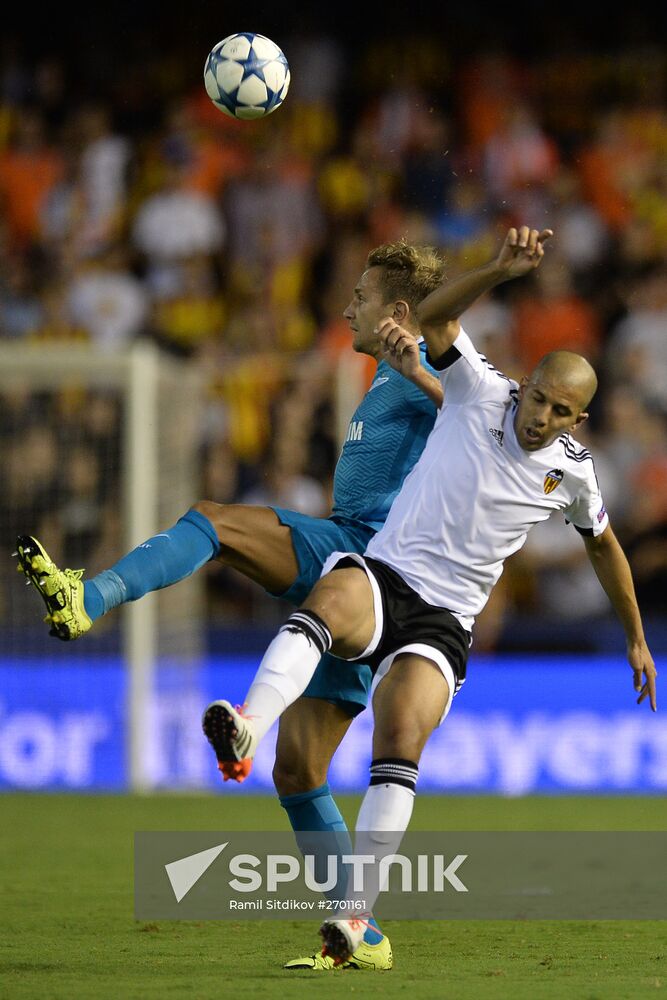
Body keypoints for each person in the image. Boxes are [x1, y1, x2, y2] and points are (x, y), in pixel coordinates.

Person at [201, 226, 658, 965]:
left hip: (444, 621)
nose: (536, 416)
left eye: (555, 412)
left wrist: (635, 637)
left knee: (400, 738)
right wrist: (499, 270)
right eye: (536, 397)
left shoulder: (574, 472)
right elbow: (435, 319)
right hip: (389, 572)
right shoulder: (481, 387)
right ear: (527, 382)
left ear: (577, 421)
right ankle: (248, 725)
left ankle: (356, 922)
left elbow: (603, 546)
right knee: (325, 603)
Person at [16, 239, 448, 971]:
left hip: (366, 562)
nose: (347, 307)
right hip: (359, 585)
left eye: (362, 297)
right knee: (297, 774)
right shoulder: (381, 373)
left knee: (214, 520)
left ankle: (88, 598)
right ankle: (360, 932)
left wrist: (433, 373)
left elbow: (474, 415)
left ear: (397, 312)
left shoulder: (419, 374)